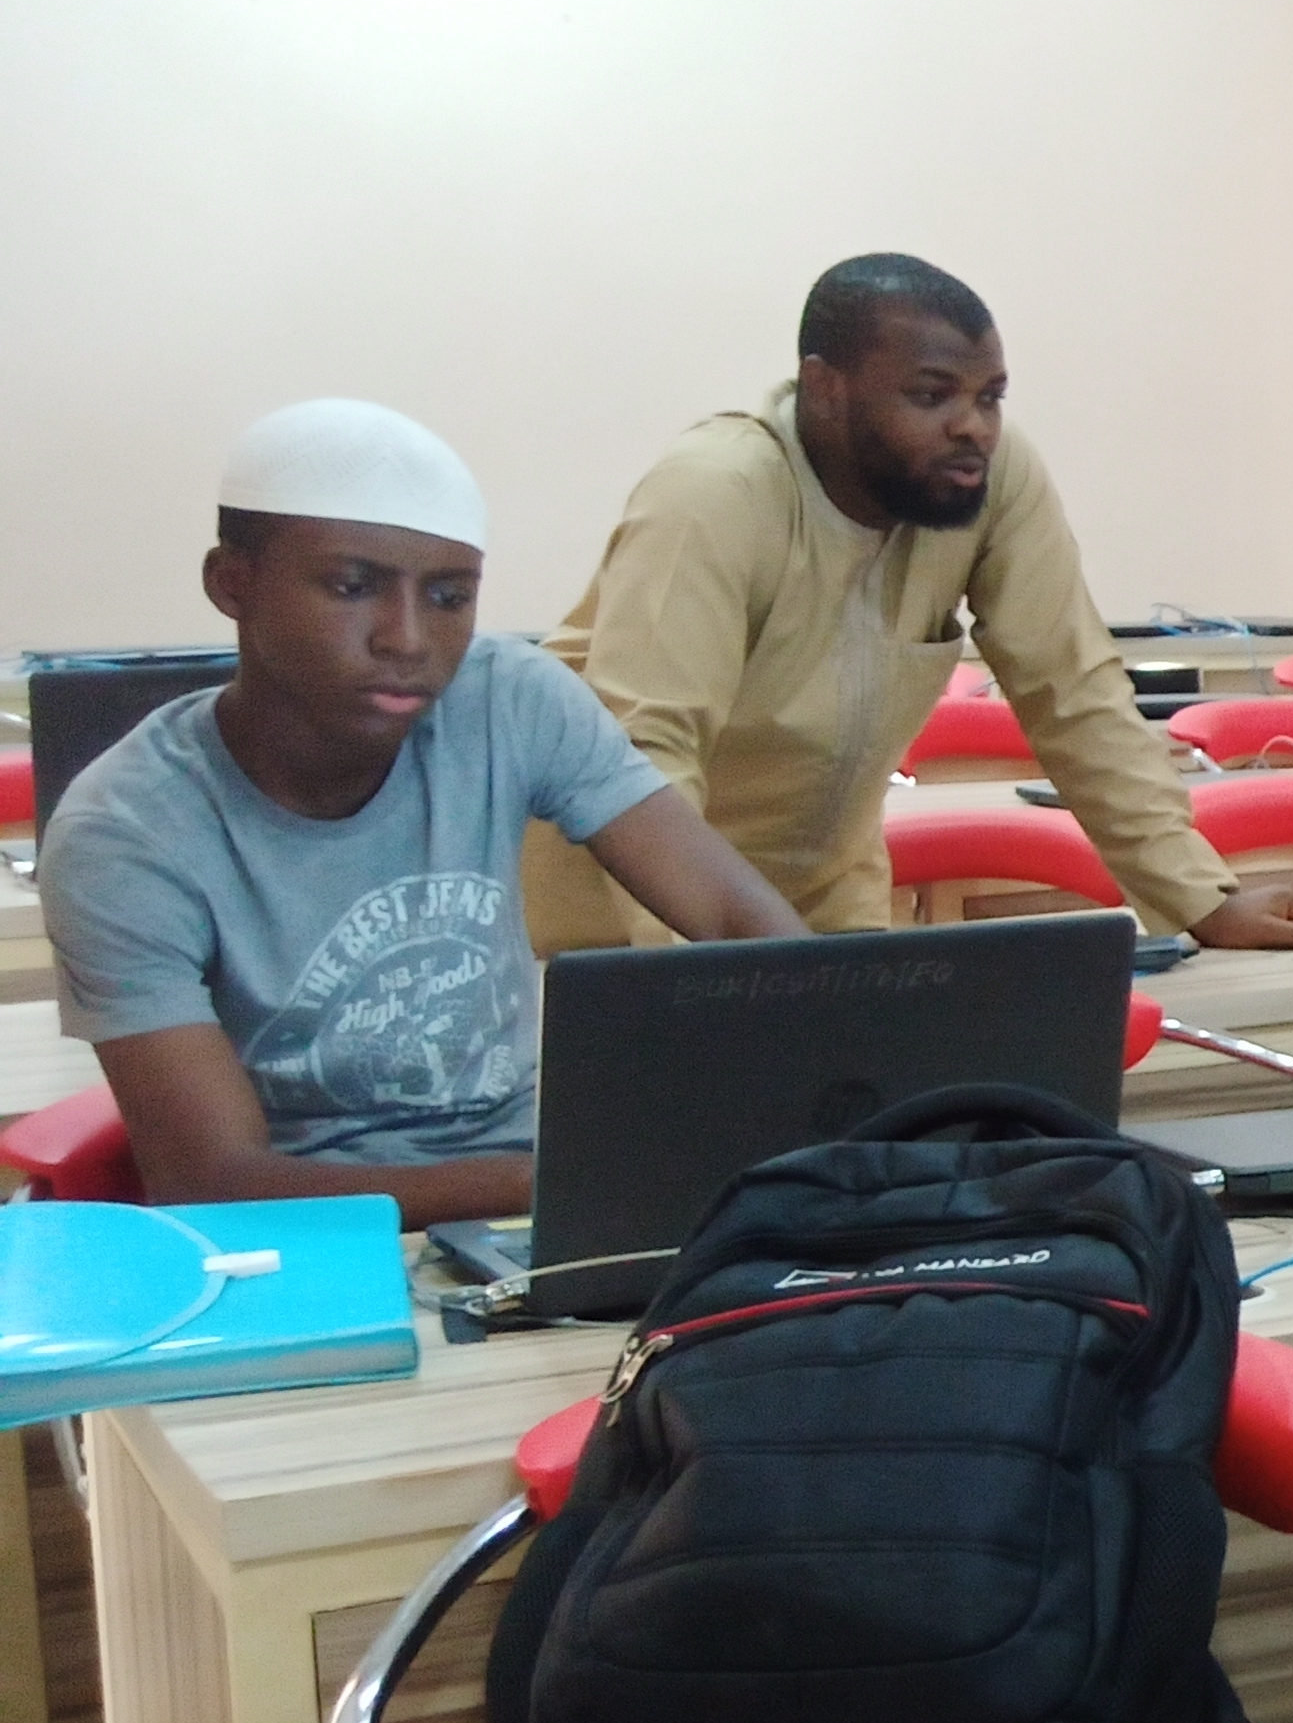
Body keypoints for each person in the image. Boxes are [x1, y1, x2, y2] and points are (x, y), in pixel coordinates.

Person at [43, 402, 807, 1226]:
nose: (408, 637)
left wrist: (849, 1075)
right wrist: (560, 1179)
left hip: (538, 1205)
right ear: (232, 583)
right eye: (352, 587)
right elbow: (217, 1183)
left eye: (449, 596)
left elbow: (733, 913)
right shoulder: (123, 833)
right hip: (315, 1242)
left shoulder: (509, 700)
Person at [520, 254, 1293, 951]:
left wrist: (1205, 901)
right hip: (619, 927)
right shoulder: (715, 494)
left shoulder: (993, 478)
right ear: (825, 389)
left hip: (827, 917)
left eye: (990, 397)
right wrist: (701, 977)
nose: (972, 427)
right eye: (933, 395)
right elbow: (644, 758)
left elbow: (1074, 695)